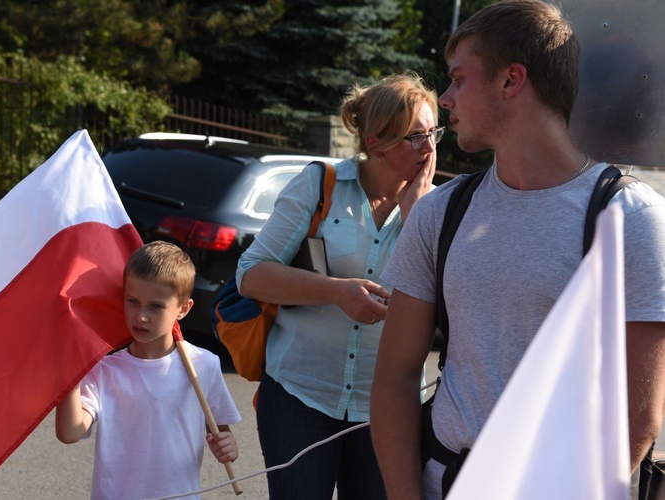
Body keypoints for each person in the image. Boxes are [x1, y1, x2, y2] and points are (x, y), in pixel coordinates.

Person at [369, 1, 665, 499]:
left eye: (459, 78)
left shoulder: (630, 218)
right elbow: (395, 377)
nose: (444, 98)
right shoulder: (440, 213)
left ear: (511, 81)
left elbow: (639, 414)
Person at [236, 72, 439, 499]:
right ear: (375, 144)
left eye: (432, 132)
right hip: (299, 395)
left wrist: (418, 213)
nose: (430, 147)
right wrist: (334, 291)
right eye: (414, 137)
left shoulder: (439, 208)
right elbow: (251, 274)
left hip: (387, 409)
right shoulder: (320, 185)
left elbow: (442, 307)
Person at [55, 241, 241, 500]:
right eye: (133, 301)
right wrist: (69, 373)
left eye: (155, 306)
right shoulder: (105, 370)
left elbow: (221, 433)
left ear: (183, 309)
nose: (141, 316)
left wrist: (228, 448)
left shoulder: (203, 365)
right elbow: (69, 432)